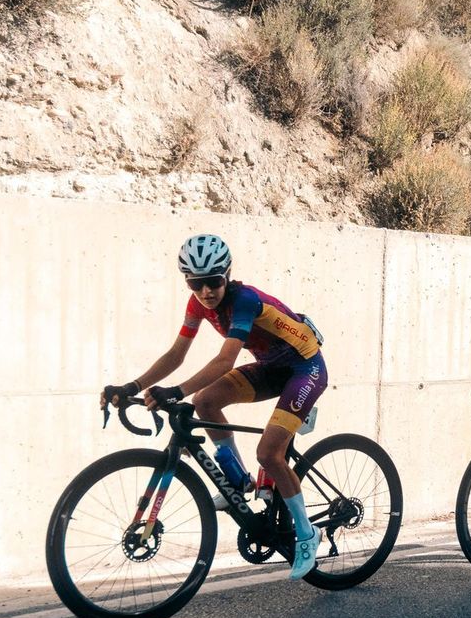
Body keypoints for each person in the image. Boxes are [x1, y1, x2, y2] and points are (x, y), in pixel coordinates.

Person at [101, 234, 327, 580]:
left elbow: (225, 361)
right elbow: (176, 355)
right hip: (271, 367)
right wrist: (132, 386)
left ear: (227, 276)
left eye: (213, 281)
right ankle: (237, 482)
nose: (206, 291)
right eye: (195, 283)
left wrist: (175, 391)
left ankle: (308, 535)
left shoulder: (245, 301)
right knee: (204, 401)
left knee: (269, 454)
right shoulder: (198, 305)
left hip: (304, 369)